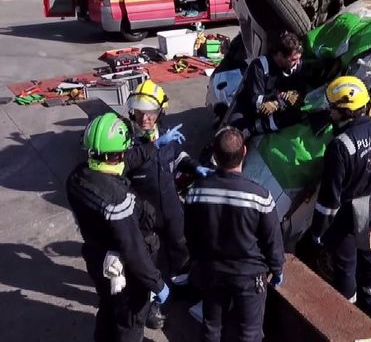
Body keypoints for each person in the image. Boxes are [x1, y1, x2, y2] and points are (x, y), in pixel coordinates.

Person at [66, 113, 170, 342]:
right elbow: (134, 251)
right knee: (130, 321)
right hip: (124, 272)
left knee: (107, 308)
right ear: (117, 154)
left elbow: (125, 161)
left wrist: (152, 146)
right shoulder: (117, 200)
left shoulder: (77, 177)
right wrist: (157, 283)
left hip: (97, 260)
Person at [184, 126, 284, 341]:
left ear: (215, 157)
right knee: (249, 331)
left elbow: (190, 235)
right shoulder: (260, 197)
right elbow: (272, 240)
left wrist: (197, 263)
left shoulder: (196, 193)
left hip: (211, 271)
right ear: (245, 152)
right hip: (249, 276)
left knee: (211, 326)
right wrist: (276, 269)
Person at [125, 79, 212, 328]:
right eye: (140, 113)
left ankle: (182, 286)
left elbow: (176, 156)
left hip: (171, 207)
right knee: (147, 261)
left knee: (180, 248)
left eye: (150, 114)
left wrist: (195, 167)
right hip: (144, 214)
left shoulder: (166, 133)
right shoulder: (126, 141)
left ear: (160, 112)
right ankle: (151, 304)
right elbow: (124, 166)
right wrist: (152, 146)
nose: (144, 119)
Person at [309, 76, 371, 321]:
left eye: (333, 108)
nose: (330, 112)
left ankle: (347, 316)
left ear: (344, 110)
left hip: (347, 214)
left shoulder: (340, 146)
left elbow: (330, 199)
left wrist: (318, 232)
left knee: (346, 263)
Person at [230, 30, 306, 135]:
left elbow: (300, 90)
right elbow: (256, 101)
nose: (297, 62)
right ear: (280, 55)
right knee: (234, 134)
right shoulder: (259, 66)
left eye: (299, 59)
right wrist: (278, 100)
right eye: (293, 59)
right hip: (250, 109)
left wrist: (281, 102)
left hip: (278, 108)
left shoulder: (297, 66)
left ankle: (256, 129)